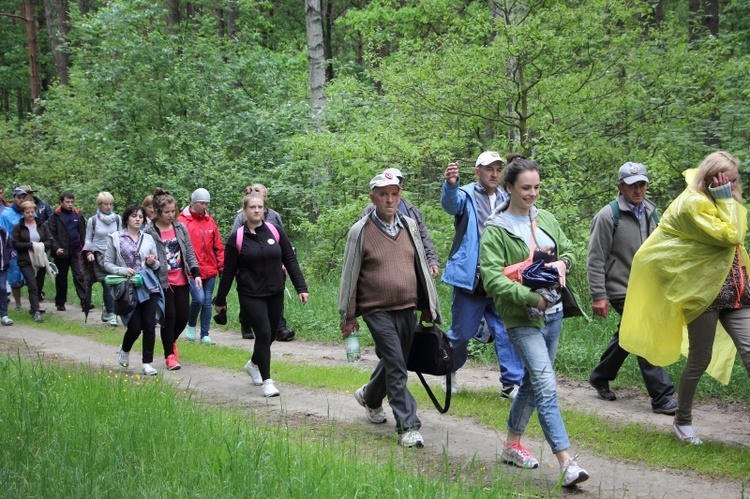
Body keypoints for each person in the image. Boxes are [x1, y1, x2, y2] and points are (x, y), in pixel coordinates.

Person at [620, 151, 750, 446]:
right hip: (703, 295)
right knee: (699, 360)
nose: (728, 186)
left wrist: (726, 198)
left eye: (732, 181)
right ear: (710, 178)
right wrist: (726, 199)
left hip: (736, 291)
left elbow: (737, 237)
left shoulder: (720, 198)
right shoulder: (691, 204)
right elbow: (731, 236)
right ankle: (683, 420)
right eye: (723, 180)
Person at [480, 156, 588, 487]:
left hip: (553, 315)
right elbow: (491, 279)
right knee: (545, 384)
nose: (532, 194)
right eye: (526, 188)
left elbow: (569, 250)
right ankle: (567, 462)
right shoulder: (495, 230)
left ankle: (512, 444)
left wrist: (562, 265)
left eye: (537, 187)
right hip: (521, 318)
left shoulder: (547, 219)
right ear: (508, 188)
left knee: (531, 380)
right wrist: (531, 297)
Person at [339, 172, 442, 448]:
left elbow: (420, 266)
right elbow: (349, 276)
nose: (389, 199)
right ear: (372, 198)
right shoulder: (360, 231)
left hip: (407, 306)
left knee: (396, 361)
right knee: (397, 364)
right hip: (376, 309)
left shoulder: (409, 225)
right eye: (383, 194)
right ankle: (408, 426)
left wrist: (428, 306)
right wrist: (348, 317)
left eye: (394, 193)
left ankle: (371, 397)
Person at [586, 163, 677, 414]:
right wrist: (598, 295)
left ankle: (600, 375)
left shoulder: (651, 211)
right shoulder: (608, 216)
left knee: (627, 336)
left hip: (647, 288)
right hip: (620, 288)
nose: (638, 190)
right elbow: (595, 258)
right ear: (620, 187)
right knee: (644, 333)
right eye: (632, 185)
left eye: (642, 184)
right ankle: (662, 396)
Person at [440, 151, 524, 397]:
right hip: (472, 278)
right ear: (478, 172)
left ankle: (511, 383)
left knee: (506, 330)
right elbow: (450, 205)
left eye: (498, 169)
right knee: (461, 333)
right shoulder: (465, 195)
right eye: (489, 169)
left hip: (500, 276)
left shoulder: (506, 197)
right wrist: (450, 185)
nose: (494, 174)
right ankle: (450, 371)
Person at [214, 192, 308, 397]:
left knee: (270, 335)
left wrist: (301, 287)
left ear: (264, 209)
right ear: (245, 210)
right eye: (252, 207)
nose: (257, 211)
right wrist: (220, 300)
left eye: (260, 207)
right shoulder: (237, 238)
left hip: (275, 291)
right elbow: (228, 272)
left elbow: (290, 260)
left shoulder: (275, 231)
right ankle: (267, 381)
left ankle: (254, 363)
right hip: (250, 294)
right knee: (263, 333)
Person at [144, 188, 202, 371]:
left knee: (183, 317)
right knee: (169, 317)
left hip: (182, 278)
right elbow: (143, 252)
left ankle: (171, 340)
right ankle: (170, 355)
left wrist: (196, 272)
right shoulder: (149, 231)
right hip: (162, 281)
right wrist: (149, 260)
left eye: (173, 211)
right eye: (166, 212)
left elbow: (189, 252)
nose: (171, 215)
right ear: (157, 211)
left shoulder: (180, 227)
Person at [103, 204, 162, 376]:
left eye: (141, 217)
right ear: (127, 217)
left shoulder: (149, 238)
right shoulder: (115, 237)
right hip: (127, 286)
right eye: (134, 216)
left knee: (150, 324)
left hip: (147, 285)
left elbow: (156, 264)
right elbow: (107, 263)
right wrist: (122, 270)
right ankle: (125, 349)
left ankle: (147, 363)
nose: (137, 219)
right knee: (135, 326)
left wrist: (152, 262)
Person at [232, 183, 294, 342]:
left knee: (276, 293)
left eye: (265, 197)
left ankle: (279, 327)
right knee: (251, 299)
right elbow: (235, 245)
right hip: (250, 269)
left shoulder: (274, 216)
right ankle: (245, 323)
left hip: (273, 266)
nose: (262, 202)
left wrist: (282, 262)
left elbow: (283, 242)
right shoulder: (241, 218)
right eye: (261, 196)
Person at [360, 167, 440, 278]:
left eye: (399, 180)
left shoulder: (411, 210)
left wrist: (432, 261)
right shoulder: (369, 212)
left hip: (410, 266)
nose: (389, 199)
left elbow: (423, 236)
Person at [178, 188, 224, 344]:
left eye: (206, 203)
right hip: (192, 269)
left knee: (207, 301)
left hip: (209, 268)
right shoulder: (182, 221)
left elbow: (218, 245)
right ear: (193, 202)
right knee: (198, 298)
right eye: (201, 203)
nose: (204, 206)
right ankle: (191, 324)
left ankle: (205, 334)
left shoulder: (210, 221)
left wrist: (221, 266)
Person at [11, 200, 54, 323]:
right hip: (25, 260)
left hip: (40, 259)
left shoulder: (41, 225)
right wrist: (31, 245)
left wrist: (40, 246)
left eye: (32, 212)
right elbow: (15, 243)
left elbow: (50, 240)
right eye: (27, 212)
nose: (30, 214)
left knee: (39, 286)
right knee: (32, 285)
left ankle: (34, 306)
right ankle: (36, 311)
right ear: (23, 213)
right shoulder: (18, 227)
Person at [82, 192, 122, 326]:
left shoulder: (117, 219)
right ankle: (111, 313)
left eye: (110, 204)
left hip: (114, 255)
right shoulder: (93, 220)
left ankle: (107, 309)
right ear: (99, 205)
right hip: (99, 255)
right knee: (107, 282)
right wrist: (89, 252)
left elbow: (121, 236)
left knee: (115, 283)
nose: (108, 207)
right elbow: (88, 238)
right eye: (106, 204)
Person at [47, 191, 88, 312]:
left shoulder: (78, 215)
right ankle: (60, 302)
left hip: (76, 250)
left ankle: (85, 301)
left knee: (79, 275)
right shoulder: (55, 216)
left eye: (71, 202)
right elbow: (51, 234)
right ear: (61, 202)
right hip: (61, 251)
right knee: (61, 278)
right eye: (67, 202)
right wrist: (55, 248)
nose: (70, 204)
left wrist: (84, 247)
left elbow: (83, 233)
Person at [0, 187, 31, 311]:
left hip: (28, 247)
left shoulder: (29, 210)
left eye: (23, 197)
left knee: (30, 276)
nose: (21, 200)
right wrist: (7, 249)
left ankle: (33, 303)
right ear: (14, 198)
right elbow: (3, 232)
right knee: (14, 277)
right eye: (19, 197)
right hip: (13, 249)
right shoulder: (6, 214)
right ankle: (18, 303)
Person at [0, 222, 13, 325]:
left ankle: (4, 315)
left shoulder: (2, 231)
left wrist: (7, 256)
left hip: (2, 266)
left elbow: (8, 245)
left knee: (3, 289)